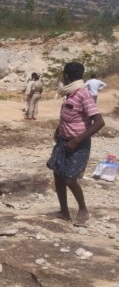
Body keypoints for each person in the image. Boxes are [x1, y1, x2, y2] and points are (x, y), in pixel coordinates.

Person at [48, 62, 105, 227]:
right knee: (58, 175)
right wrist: (59, 129)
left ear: (66, 76)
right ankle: (64, 212)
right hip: (63, 141)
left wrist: (76, 140)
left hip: (77, 144)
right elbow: (71, 116)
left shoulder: (83, 94)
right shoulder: (70, 94)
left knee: (69, 179)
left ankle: (83, 210)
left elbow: (99, 122)